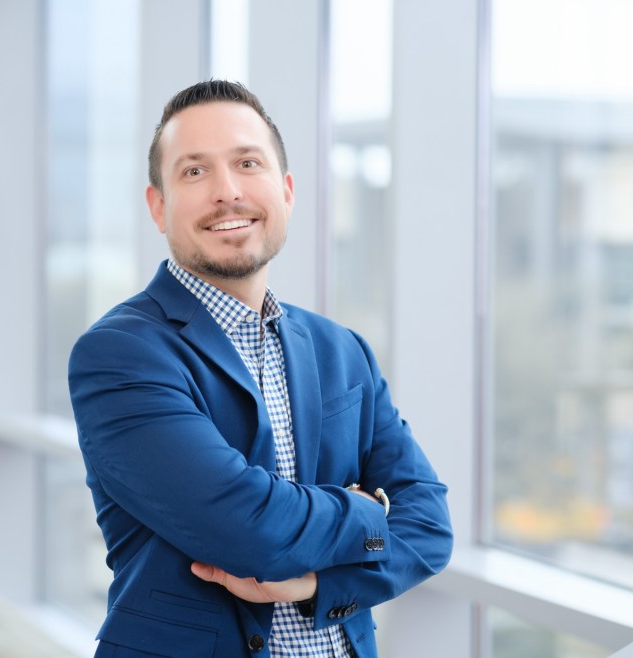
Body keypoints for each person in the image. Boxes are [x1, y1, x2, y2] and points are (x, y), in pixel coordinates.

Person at [68, 79, 452, 658]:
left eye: (248, 163)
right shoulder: (119, 354)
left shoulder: (341, 349)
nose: (227, 192)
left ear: (286, 190)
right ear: (159, 205)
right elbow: (247, 530)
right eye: (194, 172)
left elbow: (429, 525)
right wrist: (369, 511)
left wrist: (320, 584)